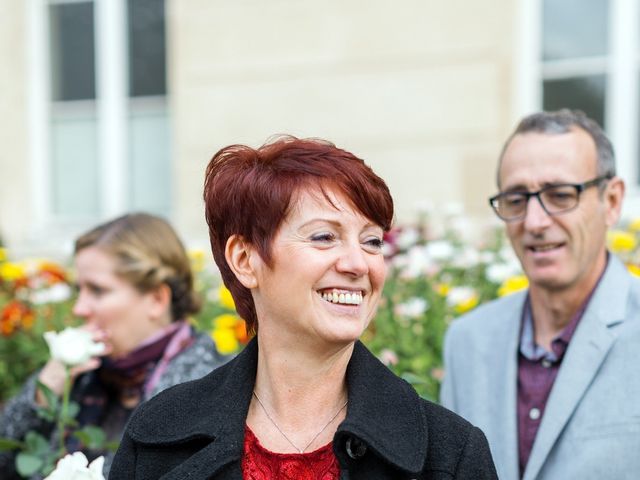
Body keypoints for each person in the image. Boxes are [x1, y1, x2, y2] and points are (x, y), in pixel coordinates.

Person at [110, 136, 498, 479]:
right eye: (325, 237)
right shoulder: (158, 434)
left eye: (372, 242)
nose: (357, 264)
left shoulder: (450, 453)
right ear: (245, 260)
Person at [440, 109, 640, 480]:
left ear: (611, 202)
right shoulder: (468, 342)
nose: (534, 222)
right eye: (516, 200)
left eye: (560, 195)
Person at [0, 213, 229, 479]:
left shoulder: (213, 385)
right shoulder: (77, 375)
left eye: (97, 290)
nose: (79, 308)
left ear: (156, 299)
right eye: (79, 290)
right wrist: (44, 391)